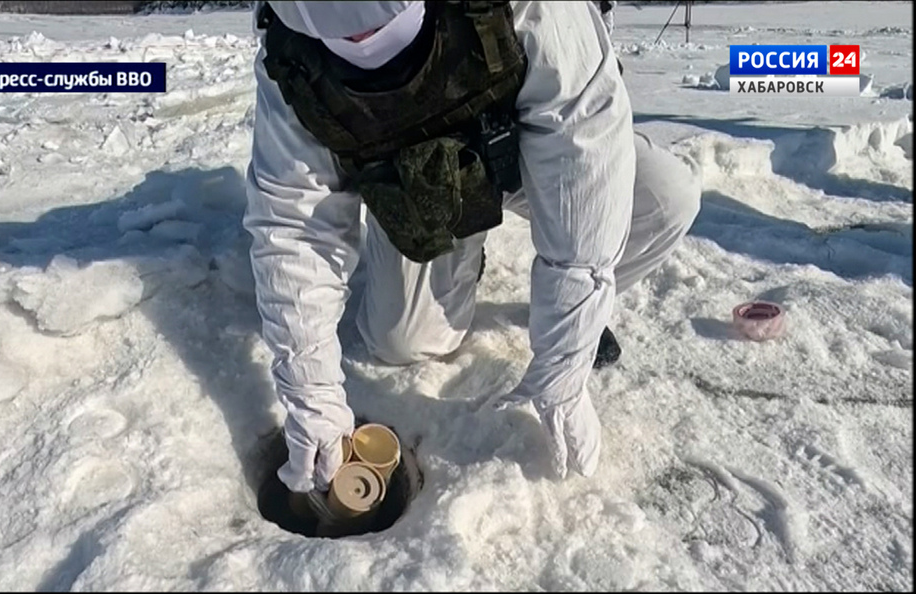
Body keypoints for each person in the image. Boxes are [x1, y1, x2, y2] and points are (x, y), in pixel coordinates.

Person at [243, 1, 702, 495]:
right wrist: (311, 395)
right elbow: (295, 224)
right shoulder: (291, 52)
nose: (360, 44)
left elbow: (584, 162)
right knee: (402, 342)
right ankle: (459, 253)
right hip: (423, 188)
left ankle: (579, 310)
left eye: (380, 31)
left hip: (533, 148)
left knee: (664, 200)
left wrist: (567, 355)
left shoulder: (538, 8)